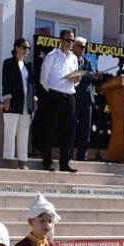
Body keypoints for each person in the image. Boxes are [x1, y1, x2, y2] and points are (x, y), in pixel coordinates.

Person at [38, 29, 82, 173]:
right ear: (61, 40)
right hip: (55, 96)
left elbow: (75, 81)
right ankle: (47, 161)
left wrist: (76, 80)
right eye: (68, 40)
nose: (70, 43)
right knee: (50, 129)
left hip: (70, 97)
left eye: (72, 41)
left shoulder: (74, 58)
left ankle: (65, 163)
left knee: (68, 132)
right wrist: (53, 90)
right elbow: (43, 79)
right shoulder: (51, 56)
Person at [0, 38, 36, 170]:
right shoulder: (8, 63)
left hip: (26, 103)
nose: (26, 50)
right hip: (13, 102)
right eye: (24, 47)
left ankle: (22, 160)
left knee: (24, 131)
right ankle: (9, 158)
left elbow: (32, 84)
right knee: (10, 130)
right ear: (16, 47)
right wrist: (7, 98)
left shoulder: (28, 65)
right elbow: (6, 81)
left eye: (28, 48)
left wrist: (35, 99)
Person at [71, 37, 101, 164]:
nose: (83, 49)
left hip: (87, 98)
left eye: (84, 47)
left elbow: (93, 75)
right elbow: (72, 74)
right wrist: (85, 74)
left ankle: (82, 156)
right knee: (71, 127)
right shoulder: (70, 60)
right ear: (74, 46)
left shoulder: (87, 61)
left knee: (85, 128)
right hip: (74, 97)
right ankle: (68, 154)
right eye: (81, 46)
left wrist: (83, 74)